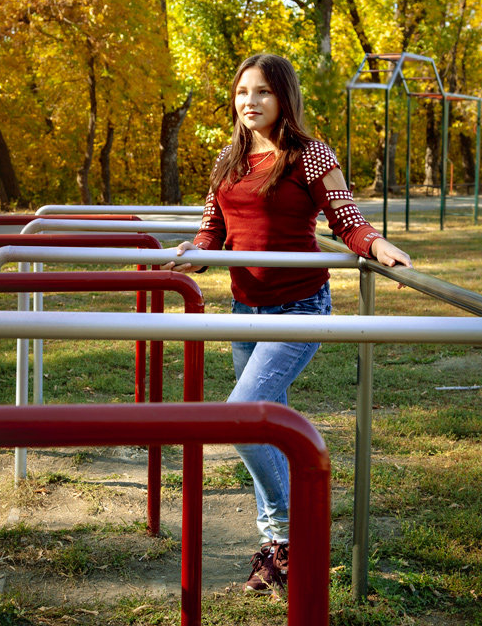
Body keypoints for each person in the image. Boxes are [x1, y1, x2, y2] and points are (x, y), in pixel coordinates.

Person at [164, 53, 412, 595]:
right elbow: (213, 232)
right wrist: (192, 253)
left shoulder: (310, 154)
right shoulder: (229, 160)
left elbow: (347, 218)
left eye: (262, 93)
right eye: (241, 92)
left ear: (284, 98)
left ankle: (292, 534)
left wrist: (375, 244)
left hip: (299, 307)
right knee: (265, 428)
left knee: (240, 420)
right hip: (245, 311)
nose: (249, 102)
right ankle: (277, 551)